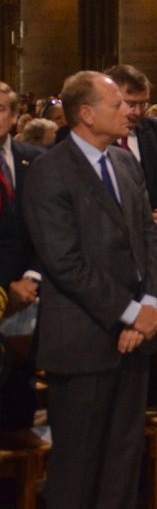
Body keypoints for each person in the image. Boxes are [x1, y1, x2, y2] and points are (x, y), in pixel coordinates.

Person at [22, 71, 157, 508]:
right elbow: (64, 261)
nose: (130, 111)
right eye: (118, 104)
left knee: (123, 460)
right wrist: (129, 312)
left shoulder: (125, 162)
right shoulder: (50, 171)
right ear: (86, 114)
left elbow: (148, 237)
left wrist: (150, 304)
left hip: (136, 334)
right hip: (83, 339)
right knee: (78, 465)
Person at [106, 65, 157, 302]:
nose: (138, 112)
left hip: (155, 250)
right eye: (131, 104)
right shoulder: (95, 138)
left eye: (144, 104)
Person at [0, 81, 44, 432]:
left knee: (19, 392)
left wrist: (31, 277)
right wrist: (4, 288)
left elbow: (49, 228)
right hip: (3, 290)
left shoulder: (35, 160)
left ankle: (19, 487)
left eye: (1, 109)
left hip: (29, 294)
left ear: (15, 116)